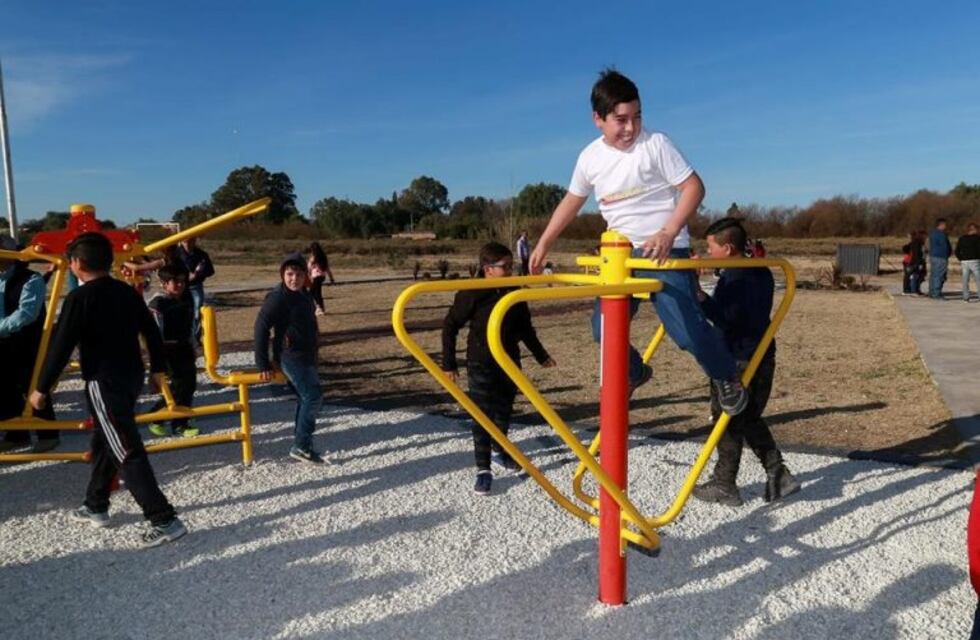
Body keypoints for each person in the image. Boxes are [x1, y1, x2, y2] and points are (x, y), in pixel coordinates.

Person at [528, 68, 748, 415]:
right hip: (620, 255)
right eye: (621, 120)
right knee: (603, 330)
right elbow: (572, 201)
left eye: (637, 116)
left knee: (686, 332)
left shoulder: (656, 144)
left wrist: (668, 230)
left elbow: (694, 187)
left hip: (664, 249)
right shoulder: (589, 158)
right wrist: (544, 243)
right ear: (597, 119)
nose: (631, 127)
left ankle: (727, 375)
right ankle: (634, 371)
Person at [29, 232, 186, 547]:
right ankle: (95, 504)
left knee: (125, 447)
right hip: (130, 378)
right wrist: (157, 369)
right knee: (105, 438)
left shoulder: (78, 299)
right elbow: (151, 332)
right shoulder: (126, 292)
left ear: (76, 264)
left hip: (104, 381)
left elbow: (61, 346)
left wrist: (41, 387)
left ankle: (164, 519)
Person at [691, 218, 800, 506]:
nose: (708, 252)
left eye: (710, 246)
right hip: (762, 352)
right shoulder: (758, 270)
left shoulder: (736, 277)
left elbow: (728, 319)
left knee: (726, 419)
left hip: (737, 357)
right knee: (748, 417)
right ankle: (779, 474)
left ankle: (725, 483)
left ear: (727, 247)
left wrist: (701, 297)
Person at [442, 242, 556, 496]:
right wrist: (449, 363)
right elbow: (450, 325)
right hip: (481, 361)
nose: (510, 269)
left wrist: (541, 356)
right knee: (482, 415)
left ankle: (500, 450)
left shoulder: (513, 290)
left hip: (509, 360)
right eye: (505, 266)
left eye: (511, 265)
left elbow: (525, 327)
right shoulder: (472, 292)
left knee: (504, 410)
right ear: (487, 269)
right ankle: (483, 469)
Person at [254, 253, 325, 464]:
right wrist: (263, 363)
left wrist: (314, 355)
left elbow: (310, 327)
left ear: (306, 276)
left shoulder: (304, 295)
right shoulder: (278, 297)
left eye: (299, 274)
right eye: (289, 274)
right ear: (283, 275)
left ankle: (302, 443)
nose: (294, 279)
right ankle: (301, 445)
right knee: (313, 396)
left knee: (306, 398)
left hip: (306, 355)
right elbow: (261, 328)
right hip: (290, 355)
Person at [0, 234, 60, 452]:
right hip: (3, 344)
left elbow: (27, 313)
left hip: (26, 342)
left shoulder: (31, 279)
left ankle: (48, 433)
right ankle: (17, 434)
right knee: (5, 387)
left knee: (33, 384)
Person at [146, 264, 200, 437]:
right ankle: (157, 417)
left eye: (182, 282)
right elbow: (154, 332)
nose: (179, 285)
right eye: (174, 282)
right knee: (178, 385)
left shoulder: (187, 299)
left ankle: (180, 421)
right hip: (166, 348)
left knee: (189, 384)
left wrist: (193, 345)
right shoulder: (158, 303)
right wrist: (157, 358)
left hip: (183, 346)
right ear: (164, 283)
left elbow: (191, 325)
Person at [176, 237, 214, 341]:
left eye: (190, 241)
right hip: (179, 287)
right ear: (181, 242)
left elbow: (211, 271)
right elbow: (170, 269)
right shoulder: (176, 254)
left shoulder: (201, 255)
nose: (187, 244)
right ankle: (182, 337)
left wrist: (199, 273)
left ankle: (195, 338)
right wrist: (184, 277)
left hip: (195, 286)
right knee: (180, 311)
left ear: (194, 241)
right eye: (185, 242)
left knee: (197, 312)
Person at [305, 242, 335, 316]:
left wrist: (309, 276)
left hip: (315, 276)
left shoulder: (313, 257)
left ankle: (319, 308)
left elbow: (309, 268)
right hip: (322, 276)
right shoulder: (323, 257)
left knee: (315, 293)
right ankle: (319, 308)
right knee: (314, 293)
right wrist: (331, 278)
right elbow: (327, 268)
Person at [955, 223, 980, 303]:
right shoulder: (978, 238)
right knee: (978, 279)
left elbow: (957, 250)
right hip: (975, 260)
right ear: (975, 229)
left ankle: (966, 297)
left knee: (965, 280)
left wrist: (961, 258)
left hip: (964, 261)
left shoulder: (962, 238)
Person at [928, 218, 952, 299]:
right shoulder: (941, 234)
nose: (946, 226)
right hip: (940, 257)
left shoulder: (933, 233)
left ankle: (932, 292)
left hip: (933, 256)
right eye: (945, 225)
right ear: (941, 225)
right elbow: (944, 246)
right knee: (939, 275)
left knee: (934, 275)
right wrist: (947, 254)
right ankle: (936, 294)